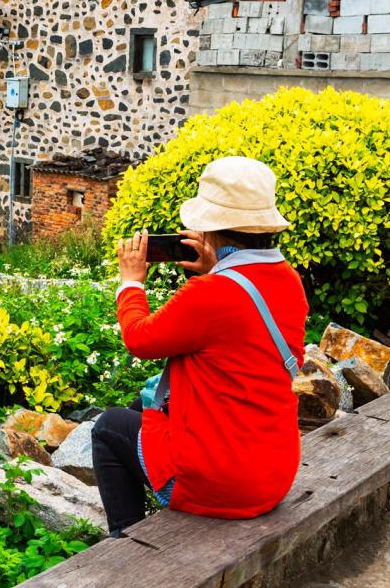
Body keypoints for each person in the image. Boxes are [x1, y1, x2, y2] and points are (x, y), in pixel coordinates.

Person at [92, 156, 307, 536]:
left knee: (109, 427)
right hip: (272, 476)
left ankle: (125, 545)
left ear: (209, 230)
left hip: (222, 488)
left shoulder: (210, 293)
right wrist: (214, 271)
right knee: (139, 409)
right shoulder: (288, 279)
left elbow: (139, 339)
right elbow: (252, 344)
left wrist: (130, 282)